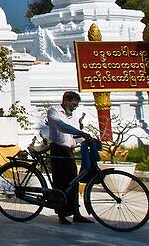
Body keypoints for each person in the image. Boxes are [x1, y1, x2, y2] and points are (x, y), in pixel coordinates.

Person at [46, 91, 94, 225]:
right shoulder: (53, 112)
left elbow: (75, 135)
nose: (74, 107)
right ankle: (61, 215)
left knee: (73, 181)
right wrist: (79, 132)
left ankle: (76, 213)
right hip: (58, 149)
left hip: (70, 151)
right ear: (66, 101)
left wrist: (86, 139)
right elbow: (61, 127)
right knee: (60, 182)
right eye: (73, 104)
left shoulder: (73, 115)